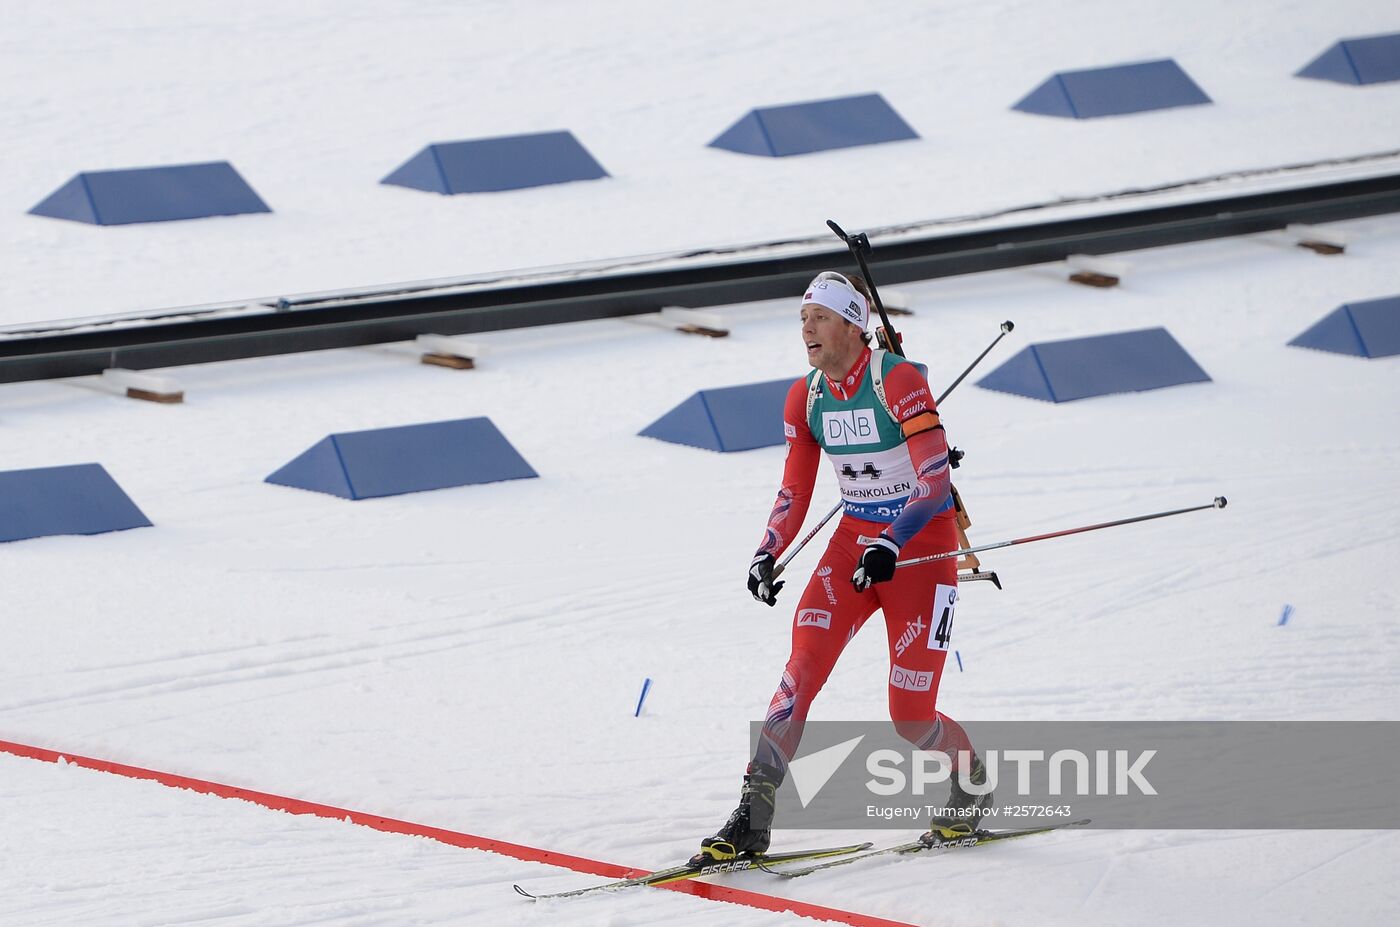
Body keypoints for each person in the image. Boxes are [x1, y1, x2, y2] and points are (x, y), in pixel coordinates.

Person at [695, 271, 991, 862]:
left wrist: (893, 541)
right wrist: (767, 550)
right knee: (800, 668)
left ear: (854, 324)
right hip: (853, 545)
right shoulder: (805, 396)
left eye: (820, 316)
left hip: (920, 549)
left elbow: (936, 482)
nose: (807, 328)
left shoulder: (897, 381)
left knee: (910, 717)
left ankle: (971, 780)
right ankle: (754, 812)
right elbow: (794, 489)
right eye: (802, 318)